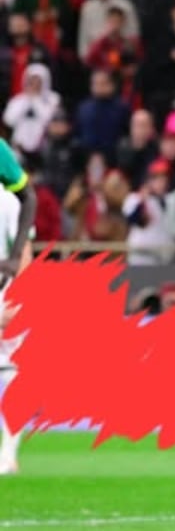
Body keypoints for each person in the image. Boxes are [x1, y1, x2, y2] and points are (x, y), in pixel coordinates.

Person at [0, 187, 34, 476]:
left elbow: (24, 249)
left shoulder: (8, 200)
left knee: (11, 372)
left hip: (4, 295)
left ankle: (8, 455)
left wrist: (19, 299)